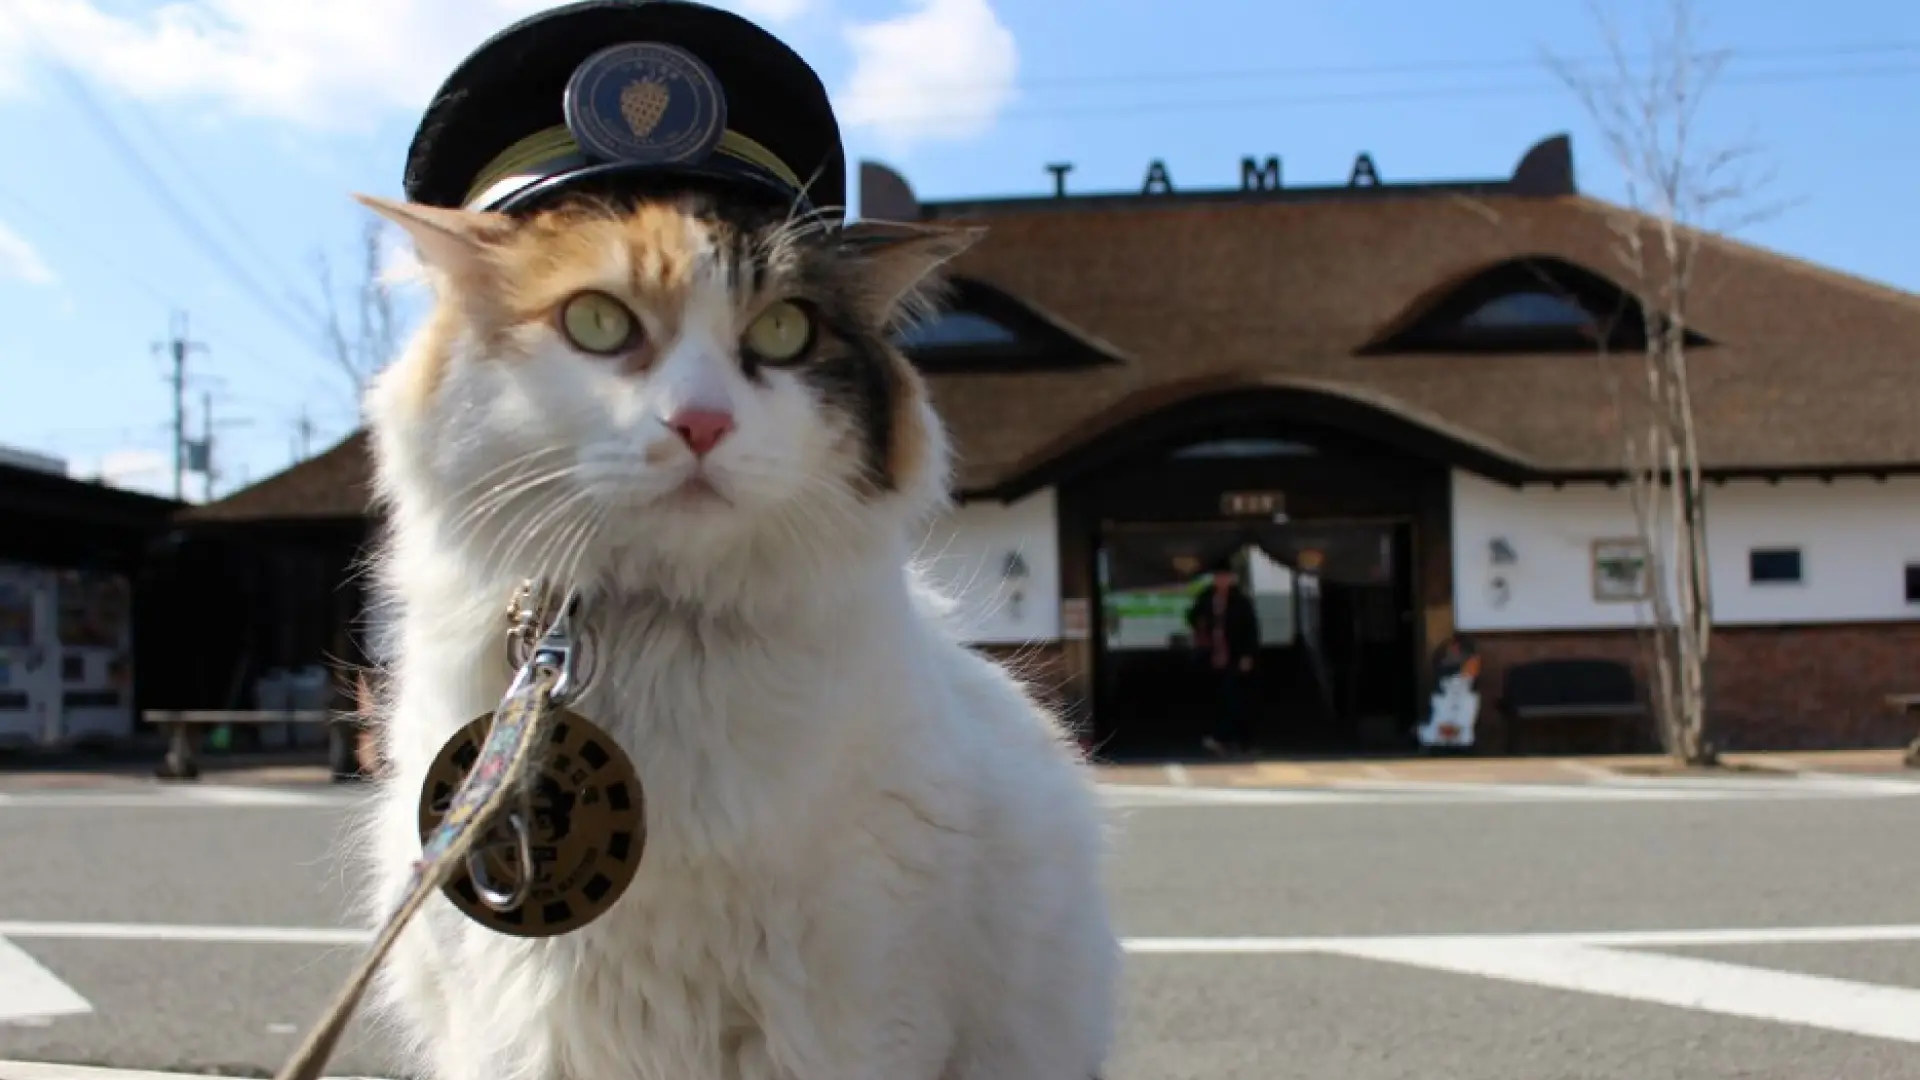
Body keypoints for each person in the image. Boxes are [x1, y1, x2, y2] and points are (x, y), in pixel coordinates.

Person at [1186, 561, 1261, 758]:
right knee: (1216, 698)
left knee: (1235, 697)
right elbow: (1192, 617)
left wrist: (1248, 654)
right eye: (1218, 577)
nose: (1222, 581)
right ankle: (1220, 738)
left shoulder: (1240, 600)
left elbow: (1251, 629)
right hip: (1211, 654)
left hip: (1234, 654)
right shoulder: (1205, 596)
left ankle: (1237, 739)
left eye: (1225, 577)